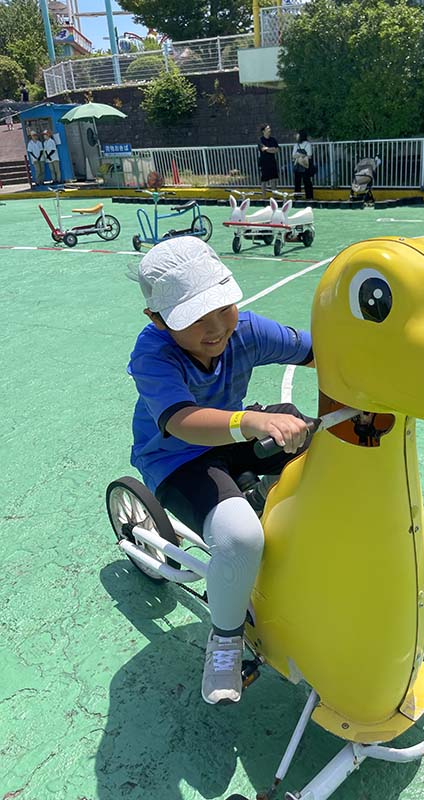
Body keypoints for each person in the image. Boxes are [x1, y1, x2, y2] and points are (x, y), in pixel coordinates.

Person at [127, 236, 314, 706]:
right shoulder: (153, 354)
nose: (216, 327)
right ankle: (226, 639)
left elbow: (320, 352)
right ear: (158, 321)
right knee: (239, 538)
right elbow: (181, 421)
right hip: (175, 457)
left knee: (319, 442)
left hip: (232, 438)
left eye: (223, 307)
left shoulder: (245, 329)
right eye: (195, 318)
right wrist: (249, 421)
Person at [292, 129, 314, 201]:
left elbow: (310, 155)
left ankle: (309, 196)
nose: (296, 136)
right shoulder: (296, 145)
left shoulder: (307, 144)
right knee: (297, 182)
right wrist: (302, 155)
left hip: (305, 165)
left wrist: (299, 155)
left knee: (307, 181)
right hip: (298, 166)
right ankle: (297, 197)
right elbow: (293, 155)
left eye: (297, 134)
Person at [258, 123, 279, 197]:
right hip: (264, 162)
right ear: (263, 131)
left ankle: (274, 197)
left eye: (269, 128)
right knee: (264, 180)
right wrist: (271, 149)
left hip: (272, 162)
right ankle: (264, 197)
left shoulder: (273, 139)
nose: (269, 130)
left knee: (273, 180)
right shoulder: (260, 140)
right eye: (267, 129)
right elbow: (263, 149)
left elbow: (276, 150)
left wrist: (268, 149)